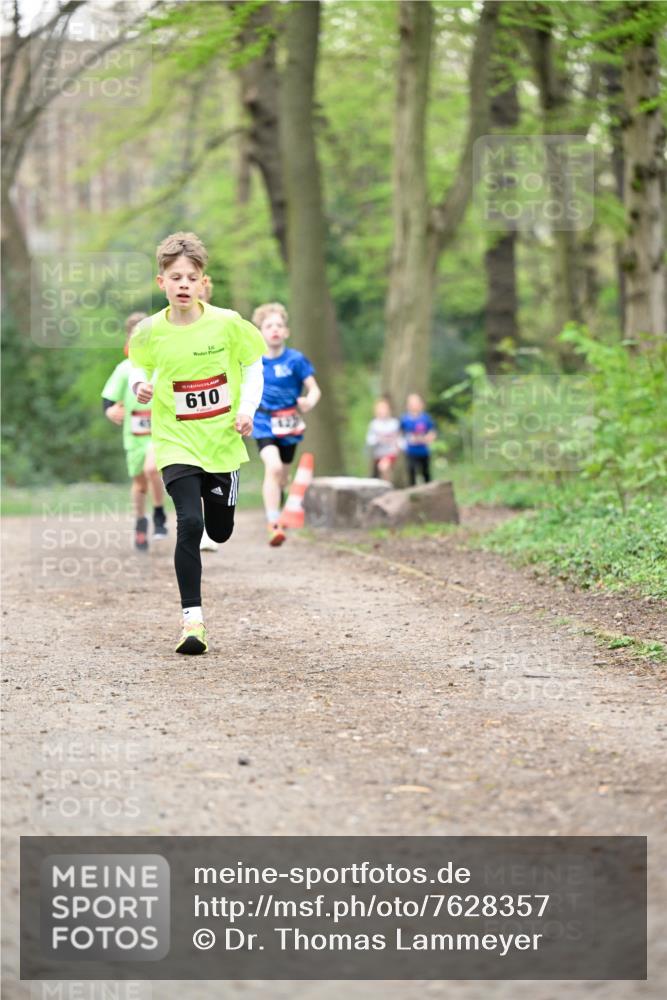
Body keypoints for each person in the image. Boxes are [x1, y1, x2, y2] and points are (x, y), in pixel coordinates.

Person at [128, 232, 265, 655]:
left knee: (219, 530)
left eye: (191, 276)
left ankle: (220, 501)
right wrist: (140, 387)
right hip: (175, 440)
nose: (183, 284)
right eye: (175, 277)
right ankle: (193, 623)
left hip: (222, 442)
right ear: (161, 283)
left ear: (203, 282)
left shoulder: (226, 322)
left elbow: (254, 365)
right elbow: (136, 365)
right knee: (190, 522)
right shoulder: (150, 331)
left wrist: (247, 409)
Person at [251, 302, 321, 546]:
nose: (274, 330)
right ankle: (273, 523)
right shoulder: (254, 361)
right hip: (263, 421)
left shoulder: (296, 360)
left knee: (282, 475)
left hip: (289, 423)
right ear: (260, 331)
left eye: (279, 325)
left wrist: (308, 402)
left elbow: (314, 389)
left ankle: (278, 500)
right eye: (269, 326)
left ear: (286, 332)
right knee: (273, 466)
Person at [101, 311, 167, 550]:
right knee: (139, 484)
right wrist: (111, 412)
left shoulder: (163, 365)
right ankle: (141, 522)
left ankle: (159, 514)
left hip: (160, 434)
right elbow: (108, 399)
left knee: (153, 470)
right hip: (134, 436)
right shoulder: (124, 369)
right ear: (128, 342)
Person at [400, 393, 436, 485]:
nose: (414, 405)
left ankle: (429, 491)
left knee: (426, 472)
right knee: (411, 472)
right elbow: (400, 433)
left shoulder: (426, 418)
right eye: (412, 403)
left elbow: (432, 432)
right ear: (408, 405)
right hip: (411, 451)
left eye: (416, 403)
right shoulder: (405, 419)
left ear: (421, 404)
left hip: (424, 451)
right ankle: (412, 492)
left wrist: (428, 438)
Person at [366, 397, 400, 481]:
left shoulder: (394, 423)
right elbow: (369, 440)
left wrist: (397, 445)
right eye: (380, 408)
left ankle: (388, 488)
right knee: (379, 473)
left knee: (383, 467)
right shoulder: (374, 424)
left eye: (384, 408)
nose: (382, 411)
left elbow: (399, 438)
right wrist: (378, 439)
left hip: (390, 452)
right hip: (378, 453)